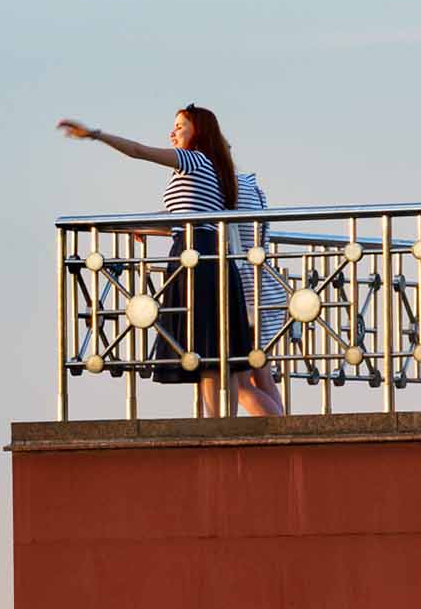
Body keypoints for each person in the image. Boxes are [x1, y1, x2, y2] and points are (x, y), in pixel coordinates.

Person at [58, 107, 284, 417]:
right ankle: (225, 426)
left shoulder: (194, 160)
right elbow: (185, 217)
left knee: (208, 355)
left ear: (198, 131)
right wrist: (139, 226)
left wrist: (96, 135)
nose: (173, 132)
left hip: (196, 256)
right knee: (220, 360)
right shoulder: (215, 168)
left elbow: (138, 151)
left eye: (180, 126)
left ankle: (219, 429)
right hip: (209, 254)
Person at [231, 169, 289, 407]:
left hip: (246, 289)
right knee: (262, 376)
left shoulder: (225, 185)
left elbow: (190, 219)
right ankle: (283, 426)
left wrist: (142, 225)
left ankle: (280, 428)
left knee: (240, 383)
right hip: (265, 284)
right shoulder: (247, 184)